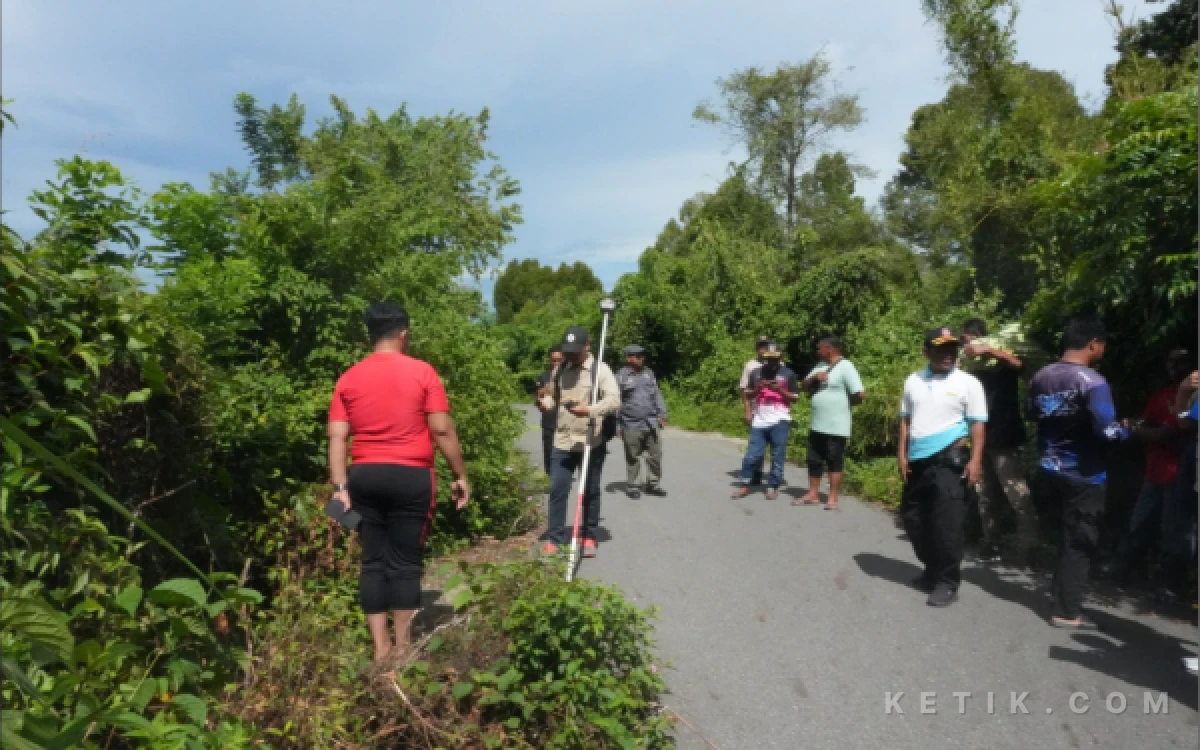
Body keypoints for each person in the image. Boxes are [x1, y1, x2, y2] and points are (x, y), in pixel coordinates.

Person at [328, 302, 470, 663]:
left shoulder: (348, 378)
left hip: (364, 476)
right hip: (411, 476)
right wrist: (459, 474)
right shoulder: (423, 372)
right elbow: (441, 429)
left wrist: (341, 488)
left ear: (370, 335)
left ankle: (381, 651)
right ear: (403, 334)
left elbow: (337, 438)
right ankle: (403, 650)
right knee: (405, 562)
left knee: (373, 561)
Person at [1027, 318, 1130, 629]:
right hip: (1084, 474)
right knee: (1080, 541)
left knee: (1064, 536)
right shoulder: (1093, 382)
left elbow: (1031, 413)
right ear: (1093, 344)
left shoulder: (1041, 376)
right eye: (1103, 345)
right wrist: (1127, 430)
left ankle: (1059, 594)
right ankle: (1067, 612)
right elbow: (1107, 432)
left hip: (1050, 468)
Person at [898, 327, 987, 608]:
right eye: (940, 348)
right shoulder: (913, 380)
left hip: (950, 461)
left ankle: (948, 582)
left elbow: (977, 424)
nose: (947, 354)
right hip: (917, 461)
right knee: (914, 518)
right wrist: (901, 455)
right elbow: (905, 421)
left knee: (947, 523)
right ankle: (932, 570)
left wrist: (976, 460)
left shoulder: (968, 383)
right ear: (927, 351)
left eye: (952, 349)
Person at [1102, 349, 1191, 582]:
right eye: (1171, 362)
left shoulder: (1190, 397)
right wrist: (1134, 424)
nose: (1174, 367)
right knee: (1139, 523)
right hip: (1154, 472)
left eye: (1180, 363)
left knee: (1174, 532)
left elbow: (1166, 434)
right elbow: (1147, 420)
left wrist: (1133, 429)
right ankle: (1123, 571)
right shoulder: (1162, 394)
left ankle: (1171, 584)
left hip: (1179, 474)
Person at [959, 318, 1038, 563]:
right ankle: (991, 541)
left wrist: (990, 351)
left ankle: (1030, 546)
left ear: (979, 337)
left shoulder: (1001, 363)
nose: (966, 345)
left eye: (967, 339)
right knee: (984, 494)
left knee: (1016, 493)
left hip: (1004, 436)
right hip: (980, 439)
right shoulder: (970, 372)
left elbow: (1020, 366)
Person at [544, 325, 620, 558]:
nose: (571, 356)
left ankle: (589, 535)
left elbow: (614, 400)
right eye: (568, 352)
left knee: (590, 490)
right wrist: (545, 403)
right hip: (562, 441)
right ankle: (555, 539)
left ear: (587, 346)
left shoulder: (600, 370)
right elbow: (551, 396)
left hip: (590, 441)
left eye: (575, 352)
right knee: (557, 489)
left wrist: (590, 410)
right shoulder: (561, 369)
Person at [795, 335, 865, 511]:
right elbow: (803, 386)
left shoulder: (846, 366)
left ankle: (832, 498)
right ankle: (813, 494)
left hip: (836, 425)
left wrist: (843, 404)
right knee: (814, 459)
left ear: (830, 349)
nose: (818, 351)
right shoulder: (820, 365)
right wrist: (814, 378)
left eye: (820, 348)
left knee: (834, 460)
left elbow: (860, 394)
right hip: (817, 423)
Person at [732, 342, 799, 501]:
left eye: (775, 358)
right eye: (769, 358)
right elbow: (747, 394)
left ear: (780, 357)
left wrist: (779, 390)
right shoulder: (756, 373)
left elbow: (795, 398)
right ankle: (744, 485)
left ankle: (773, 487)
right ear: (764, 357)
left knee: (777, 455)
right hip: (759, 420)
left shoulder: (788, 374)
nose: (771, 361)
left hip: (780, 420)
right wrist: (758, 389)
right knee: (751, 455)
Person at [616, 344, 668, 498]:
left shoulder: (649, 373)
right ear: (628, 358)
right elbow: (615, 401)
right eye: (636, 356)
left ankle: (653, 484)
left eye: (641, 356)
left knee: (655, 455)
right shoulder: (621, 376)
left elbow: (657, 394)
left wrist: (662, 414)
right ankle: (632, 486)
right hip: (631, 424)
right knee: (633, 456)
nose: (640, 359)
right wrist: (616, 424)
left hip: (651, 422)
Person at [739, 335, 772, 485]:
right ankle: (755, 472)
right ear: (757, 348)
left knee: (775, 445)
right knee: (757, 443)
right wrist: (747, 410)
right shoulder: (750, 365)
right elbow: (744, 390)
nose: (763, 348)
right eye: (760, 346)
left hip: (774, 410)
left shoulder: (779, 363)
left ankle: (774, 478)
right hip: (756, 409)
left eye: (765, 345)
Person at [534, 346, 565, 475]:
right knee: (549, 453)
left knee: (564, 455)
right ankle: (550, 476)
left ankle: (562, 477)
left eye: (559, 360)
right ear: (549, 360)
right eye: (553, 360)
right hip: (549, 422)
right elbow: (537, 402)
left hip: (565, 422)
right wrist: (541, 394)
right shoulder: (544, 376)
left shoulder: (569, 376)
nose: (556, 363)